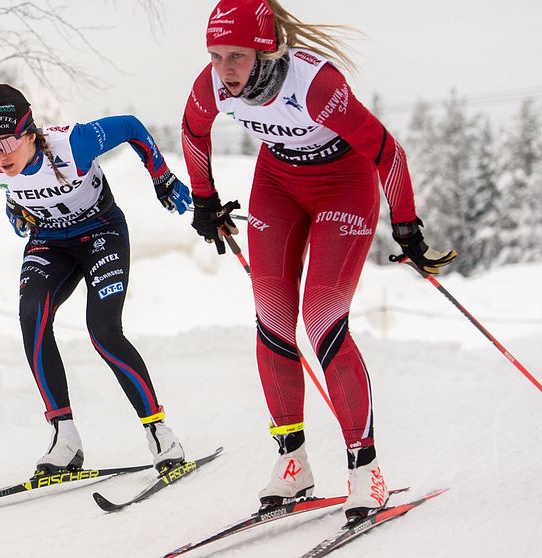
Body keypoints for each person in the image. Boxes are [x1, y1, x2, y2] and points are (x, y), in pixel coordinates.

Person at [180, 0, 456, 521]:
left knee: (323, 319)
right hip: (278, 185)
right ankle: (293, 462)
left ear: (266, 49)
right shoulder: (212, 84)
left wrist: (406, 225)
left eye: (236, 56)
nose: (225, 70)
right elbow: (193, 131)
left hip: (343, 189)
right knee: (273, 319)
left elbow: (387, 152)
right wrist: (204, 198)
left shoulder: (314, 85)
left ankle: (365, 468)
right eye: (216, 56)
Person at [0, 84, 193, 473]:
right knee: (32, 315)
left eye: (8, 142)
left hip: (101, 231)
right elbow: (12, 187)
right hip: (50, 240)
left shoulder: (71, 145)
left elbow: (129, 126)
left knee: (103, 331)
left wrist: (161, 176)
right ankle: (65, 437)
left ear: (29, 133)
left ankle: (159, 431)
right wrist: (14, 209)